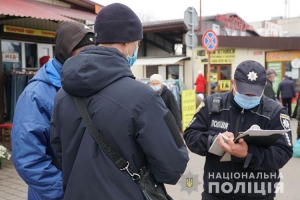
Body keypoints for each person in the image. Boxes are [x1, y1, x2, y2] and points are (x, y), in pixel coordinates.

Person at [50, 3, 189, 200]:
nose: (136, 48)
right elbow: (172, 167)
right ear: (127, 42)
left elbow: (59, 152)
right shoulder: (144, 98)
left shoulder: (62, 95)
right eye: (138, 42)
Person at [184, 60, 293, 200]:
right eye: (244, 91)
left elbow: (283, 152)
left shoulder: (275, 112)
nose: (249, 97)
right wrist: (213, 141)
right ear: (232, 82)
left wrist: (248, 155)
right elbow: (190, 135)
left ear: (264, 86)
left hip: (258, 195)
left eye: (254, 93)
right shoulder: (211, 104)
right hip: (216, 193)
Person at [11, 21, 94, 200]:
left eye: (92, 52)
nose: (89, 59)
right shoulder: (36, 95)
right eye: (83, 53)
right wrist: (65, 191)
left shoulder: (88, 83)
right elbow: (28, 159)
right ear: (65, 52)